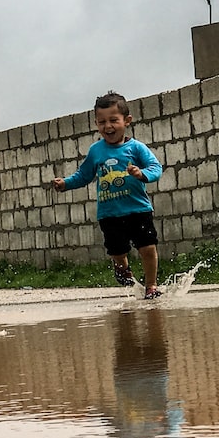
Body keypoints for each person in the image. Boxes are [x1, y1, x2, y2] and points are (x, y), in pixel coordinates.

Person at [52, 91, 165, 300]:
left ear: (127, 121)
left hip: (138, 210)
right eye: (102, 122)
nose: (108, 126)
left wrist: (142, 174)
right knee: (117, 252)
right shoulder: (96, 151)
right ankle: (123, 268)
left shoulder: (136, 148)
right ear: (96, 123)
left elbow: (155, 167)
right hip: (109, 214)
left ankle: (151, 286)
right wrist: (66, 183)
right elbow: (84, 175)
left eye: (114, 120)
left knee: (148, 248)